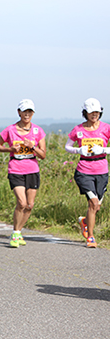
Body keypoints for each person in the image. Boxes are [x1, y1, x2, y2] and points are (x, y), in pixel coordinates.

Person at [0, 99, 47, 248]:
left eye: (30, 112)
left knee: (29, 205)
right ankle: (16, 232)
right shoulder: (10, 130)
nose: (27, 114)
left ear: (33, 113)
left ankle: (18, 231)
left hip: (32, 170)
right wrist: (11, 149)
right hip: (16, 170)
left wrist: (33, 146)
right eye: (24, 111)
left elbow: (43, 155)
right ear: (19, 112)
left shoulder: (38, 131)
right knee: (21, 203)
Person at [64, 98, 110, 249]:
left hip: (102, 171)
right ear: (85, 113)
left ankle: (85, 222)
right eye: (91, 112)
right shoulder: (78, 130)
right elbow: (67, 146)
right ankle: (90, 237)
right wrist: (78, 150)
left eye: (97, 112)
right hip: (84, 171)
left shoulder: (106, 128)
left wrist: (103, 150)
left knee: (96, 207)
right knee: (93, 203)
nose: (94, 115)